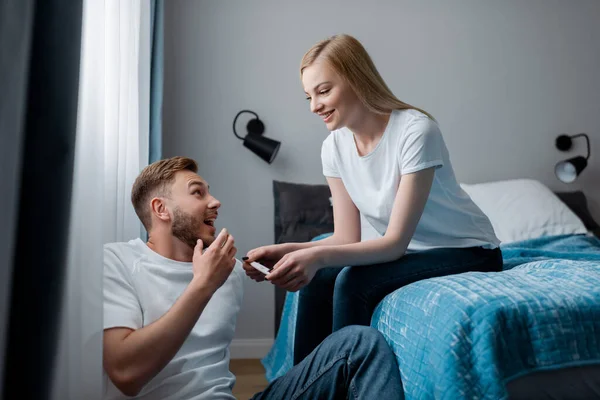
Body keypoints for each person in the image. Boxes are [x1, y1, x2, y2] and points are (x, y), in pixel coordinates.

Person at [243, 33, 503, 366]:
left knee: (353, 280)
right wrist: (286, 250)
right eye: (308, 96)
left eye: (323, 91)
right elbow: (345, 238)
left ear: (356, 78)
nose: (314, 106)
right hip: (410, 252)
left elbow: (393, 244)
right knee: (317, 279)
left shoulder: (416, 132)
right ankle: (304, 389)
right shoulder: (333, 147)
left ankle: (347, 386)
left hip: (469, 251)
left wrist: (318, 257)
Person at [102, 156, 404, 400]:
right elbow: (126, 374)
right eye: (198, 192)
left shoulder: (229, 271)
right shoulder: (117, 261)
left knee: (360, 344)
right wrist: (203, 285)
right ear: (161, 209)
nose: (215, 201)